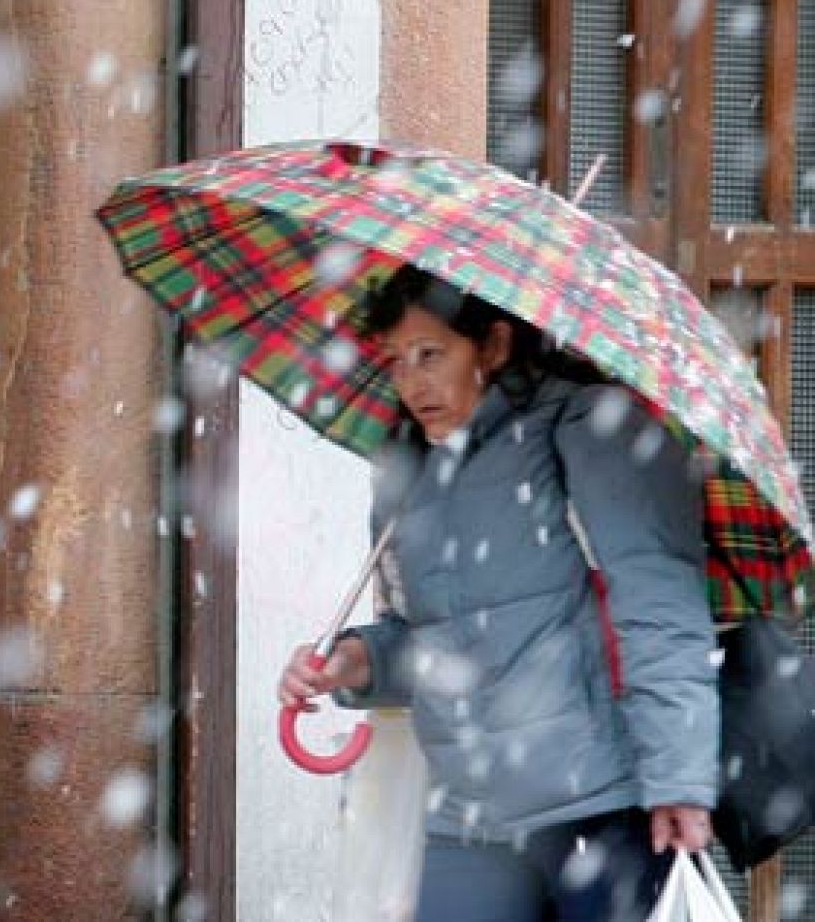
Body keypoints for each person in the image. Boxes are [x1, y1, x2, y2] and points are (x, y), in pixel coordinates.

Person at [279, 265, 719, 921]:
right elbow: (431, 644)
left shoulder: (587, 429)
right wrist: (355, 662)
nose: (412, 382)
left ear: (493, 344)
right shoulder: (411, 472)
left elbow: (661, 609)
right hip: (468, 819)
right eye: (395, 361)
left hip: (599, 808)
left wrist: (680, 779)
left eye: (432, 355)